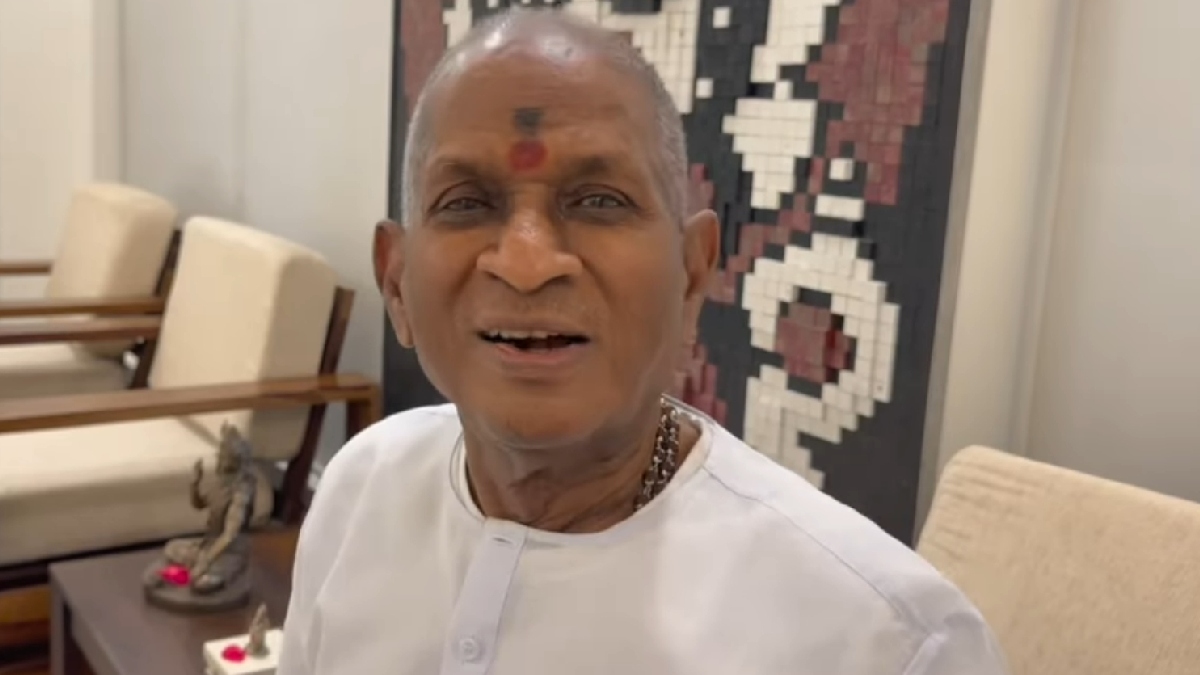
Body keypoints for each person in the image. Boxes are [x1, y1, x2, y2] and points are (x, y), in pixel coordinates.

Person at [277, 8, 1008, 675]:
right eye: (466, 203)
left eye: (599, 200)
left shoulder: (890, 643)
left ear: (692, 274)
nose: (527, 263)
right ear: (397, 283)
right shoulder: (360, 489)